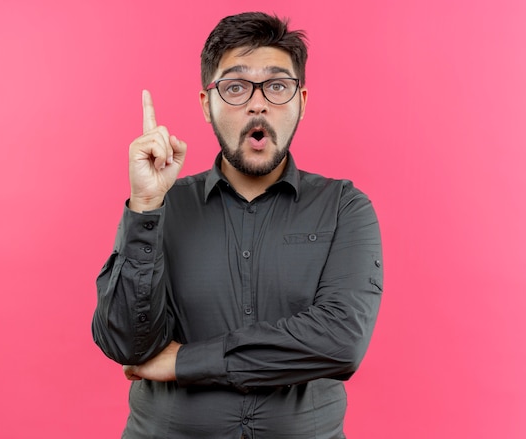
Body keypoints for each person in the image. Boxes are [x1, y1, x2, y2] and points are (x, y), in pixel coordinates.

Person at [92, 11, 383, 439]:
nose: (258, 102)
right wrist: (146, 205)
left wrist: (184, 362)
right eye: (235, 87)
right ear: (206, 106)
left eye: (278, 86)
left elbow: (340, 341)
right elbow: (126, 346)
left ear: (301, 102)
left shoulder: (345, 208)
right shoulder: (160, 206)